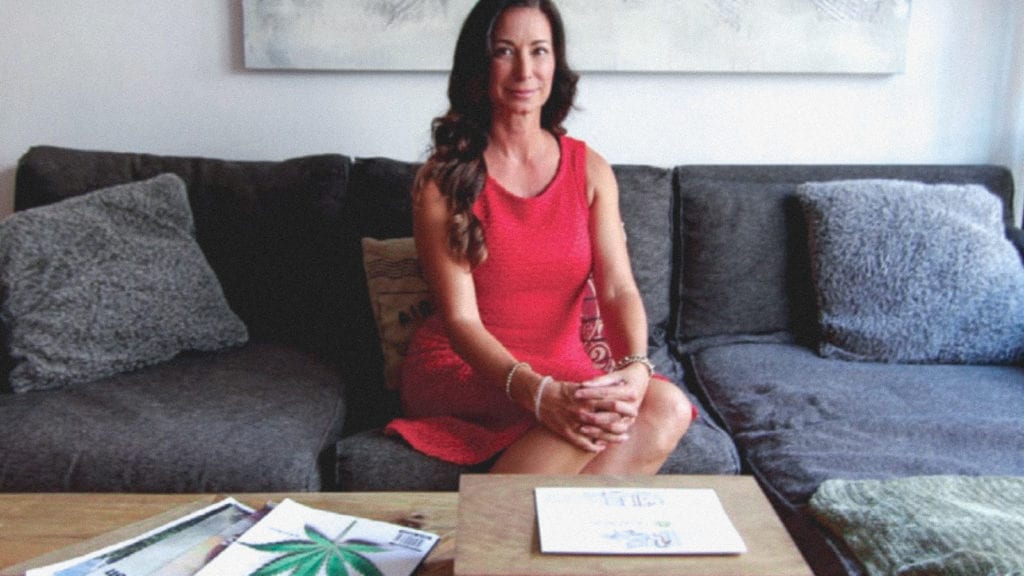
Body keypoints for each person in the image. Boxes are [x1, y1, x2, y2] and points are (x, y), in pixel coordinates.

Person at [384, 0, 693, 474]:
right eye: (504, 51)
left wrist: (634, 365)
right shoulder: (442, 180)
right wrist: (538, 392)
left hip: (564, 363)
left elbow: (617, 288)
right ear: (479, 64)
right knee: (592, 414)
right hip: (467, 368)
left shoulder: (589, 168)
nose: (525, 70)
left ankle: (544, 537)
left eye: (540, 51)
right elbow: (461, 321)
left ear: (556, 63)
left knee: (667, 405)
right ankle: (504, 535)